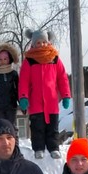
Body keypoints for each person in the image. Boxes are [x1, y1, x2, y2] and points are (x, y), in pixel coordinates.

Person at [18, 28, 71, 160]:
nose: (41, 45)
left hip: (52, 101)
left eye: (43, 42)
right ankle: (38, 148)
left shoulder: (54, 59)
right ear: (33, 43)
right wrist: (23, 97)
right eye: (38, 42)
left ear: (47, 42)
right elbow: (23, 81)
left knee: (53, 127)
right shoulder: (29, 60)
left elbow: (62, 78)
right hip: (35, 102)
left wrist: (65, 95)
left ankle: (53, 148)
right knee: (37, 127)